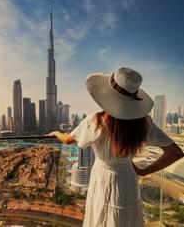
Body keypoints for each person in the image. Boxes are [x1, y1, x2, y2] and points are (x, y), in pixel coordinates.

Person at [48, 67, 184, 227]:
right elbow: (175, 152)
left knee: (100, 216)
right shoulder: (143, 124)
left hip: (102, 178)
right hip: (127, 179)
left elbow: (68, 140)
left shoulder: (95, 121)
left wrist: (56, 133)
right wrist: (143, 170)